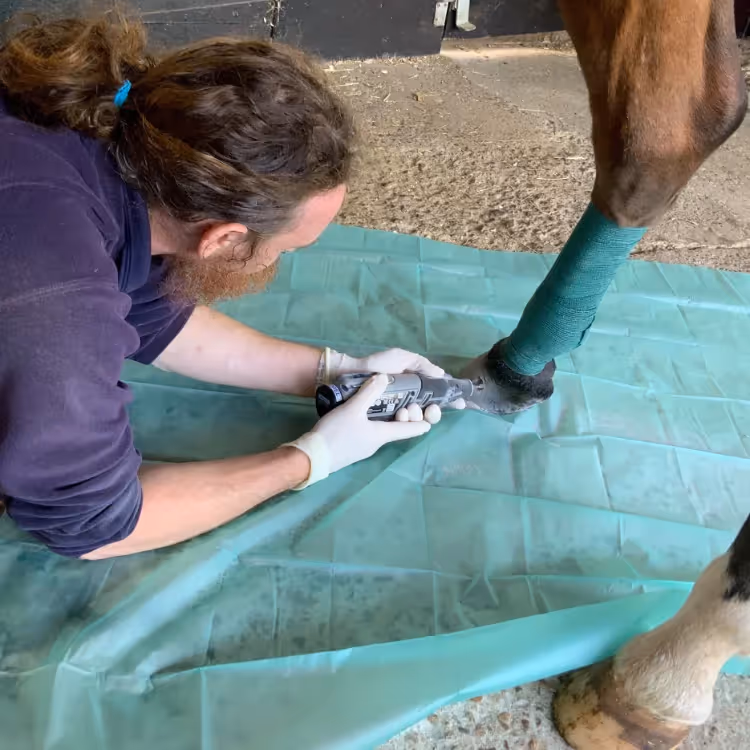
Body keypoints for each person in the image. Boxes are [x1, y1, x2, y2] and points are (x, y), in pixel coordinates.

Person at [0, 13, 453, 560]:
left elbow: (153, 315)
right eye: (286, 248)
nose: (280, 261)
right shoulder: (57, 302)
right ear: (221, 239)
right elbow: (97, 525)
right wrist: (311, 458)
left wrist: (333, 371)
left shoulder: (102, 118)